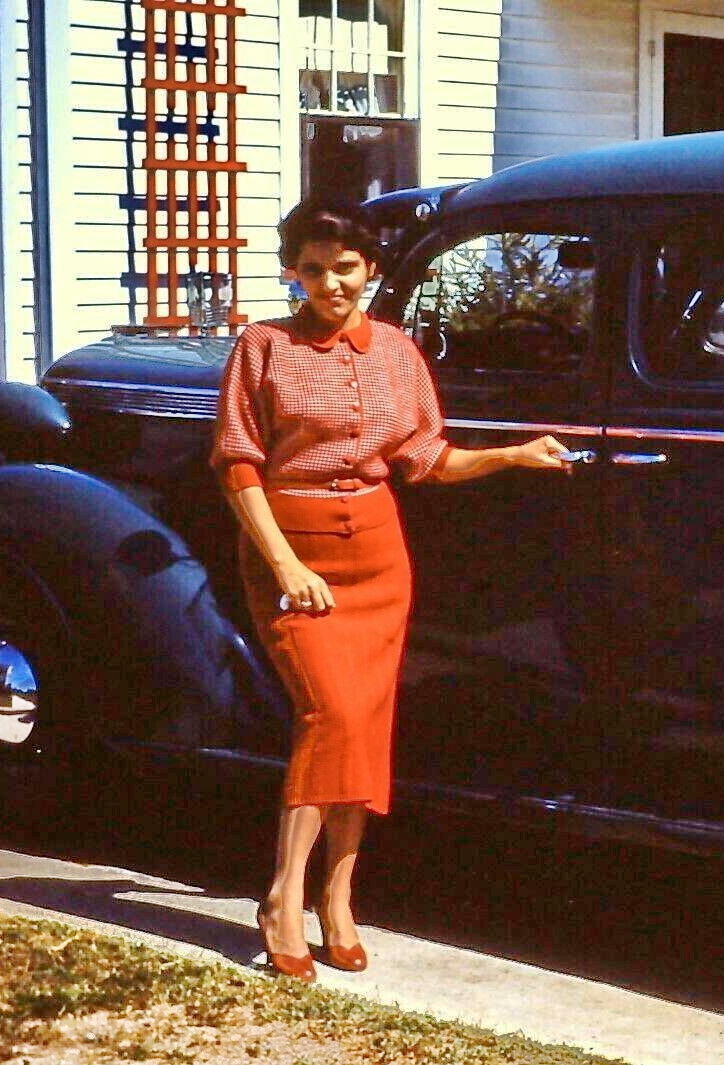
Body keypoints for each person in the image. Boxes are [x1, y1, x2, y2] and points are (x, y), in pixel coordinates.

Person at [210, 199, 567, 981]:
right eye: (311, 270)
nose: (329, 285)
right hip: (292, 557)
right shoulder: (263, 347)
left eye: (344, 269)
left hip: (379, 563)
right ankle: (282, 896)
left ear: (371, 269)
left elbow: (426, 459)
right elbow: (238, 464)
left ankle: (338, 899)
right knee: (327, 714)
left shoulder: (399, 352)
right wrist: (285, 568)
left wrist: (512, 455)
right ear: (292, 273)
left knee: (364, 729)